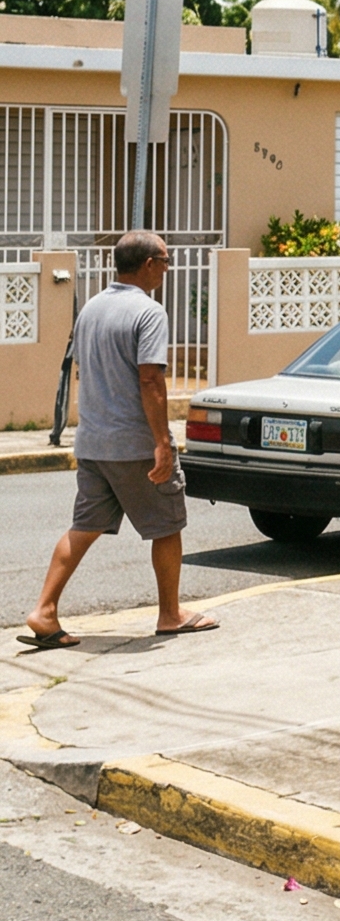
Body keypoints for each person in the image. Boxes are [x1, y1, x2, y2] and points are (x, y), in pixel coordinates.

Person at [20, 232, 219, 649]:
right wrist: (162, 442)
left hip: (93, 443)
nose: (167, 269)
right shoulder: (148, 312)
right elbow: (150, 379)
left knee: (83, 527)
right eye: (165, 261)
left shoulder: (91, 309)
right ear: (148, 264)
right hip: (134, 445)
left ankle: (44, 610)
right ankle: (170, 614)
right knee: (167, 526)